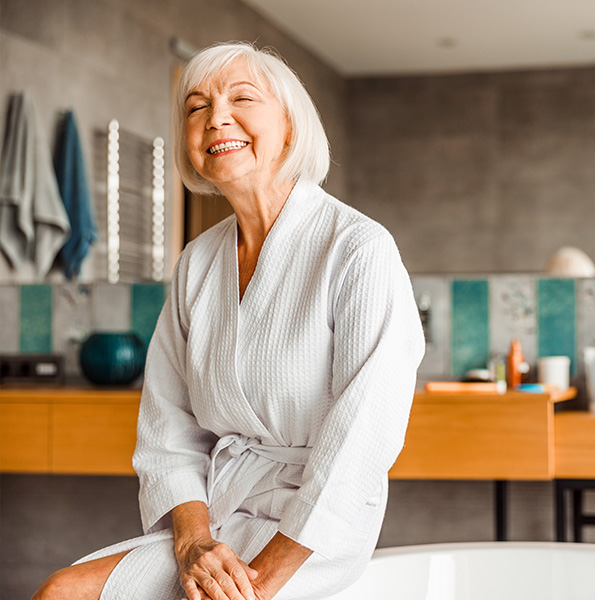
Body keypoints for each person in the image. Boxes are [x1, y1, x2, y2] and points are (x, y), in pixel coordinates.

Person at [32, 41, 424, 600]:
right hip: (218, 519)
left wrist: (261, 582)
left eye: (243, 98)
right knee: (60, 592)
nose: (216, 117)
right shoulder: (197, 261)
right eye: (195, 107)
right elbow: (168, 424)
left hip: (312, 534)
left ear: (290, 127)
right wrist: (194, 543)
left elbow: (364, 438)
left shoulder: (358, 249)